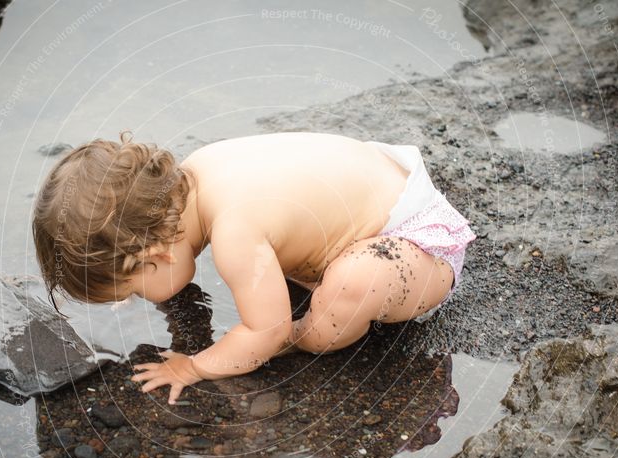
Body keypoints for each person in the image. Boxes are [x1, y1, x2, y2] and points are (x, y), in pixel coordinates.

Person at [32, 131, 476, 403]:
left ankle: (309, 334)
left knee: (338, 303)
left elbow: (265, 334)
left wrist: (193, 367)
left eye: (131, 290)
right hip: (378, 188)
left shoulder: (234, 234)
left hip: (418, 240)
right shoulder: (198, 172)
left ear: (157, 257)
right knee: (296, 256)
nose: (135, 300)